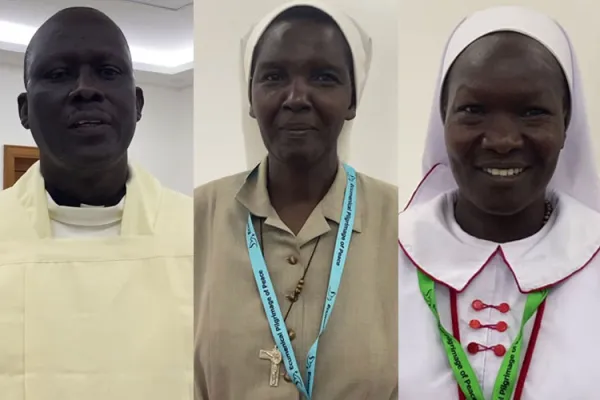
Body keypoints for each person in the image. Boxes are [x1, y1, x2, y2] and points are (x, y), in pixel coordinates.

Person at [194, 1, 397, 399]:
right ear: (250, 98)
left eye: (323, 77)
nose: (296, 97)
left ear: (353, 100)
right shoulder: (198, 217)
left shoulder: (402, 225)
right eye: (273, 76)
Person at [398, 5, 600, 400]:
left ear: (566, 121)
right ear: (444, 117)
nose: (503, 140)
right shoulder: (378, 256)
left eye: (533, 112)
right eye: (474, 110)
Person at [0, 7, 192, 399]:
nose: (85, 89)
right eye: (58, 74)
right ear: (24, 110)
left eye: (107, 72)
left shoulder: (203, 236)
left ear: (137, 104)